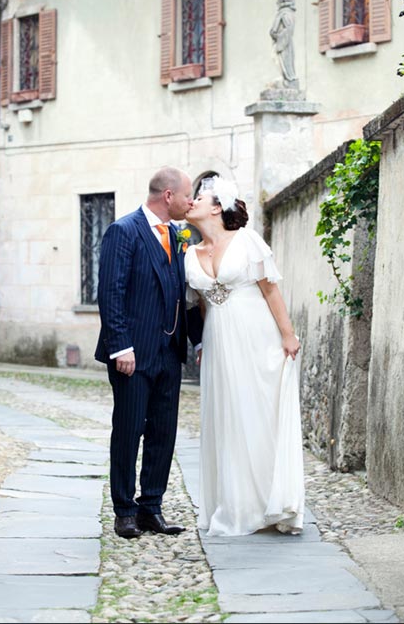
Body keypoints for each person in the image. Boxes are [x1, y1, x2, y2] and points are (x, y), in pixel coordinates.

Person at [184, 176, 304, 536]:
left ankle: (271, 501)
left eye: (199, 197)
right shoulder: (190, 254)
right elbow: (203, 304)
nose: (192, 202)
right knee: (227, 417)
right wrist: (203, 345)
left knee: (258, 413)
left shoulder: (247, 240)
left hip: (257, 336)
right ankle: (236, 506)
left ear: (218, 206)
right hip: (219, 340)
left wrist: (288, 334)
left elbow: (270, 290)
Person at [95, 166, 203, 539]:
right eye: (188, 195)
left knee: (163, 433)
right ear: (168, 196)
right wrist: (120, 346)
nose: (191, 202)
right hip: (132, 355)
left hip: (169, 354)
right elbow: (110, 292)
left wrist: (197, 342)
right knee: (128, 431)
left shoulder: (179, 237)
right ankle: (124, 510)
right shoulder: (123, 231)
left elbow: (186, 299)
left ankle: (150, 508)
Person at [270, 0, 297, 85]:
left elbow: (289, 29)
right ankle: (284, 78)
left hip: (284, 44)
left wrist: (278, 36)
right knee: (277, 60)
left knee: (283, 61)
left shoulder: (286, 13)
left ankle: (287, 79)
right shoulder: (283, 13)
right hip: (281, 42)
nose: (283, 1)